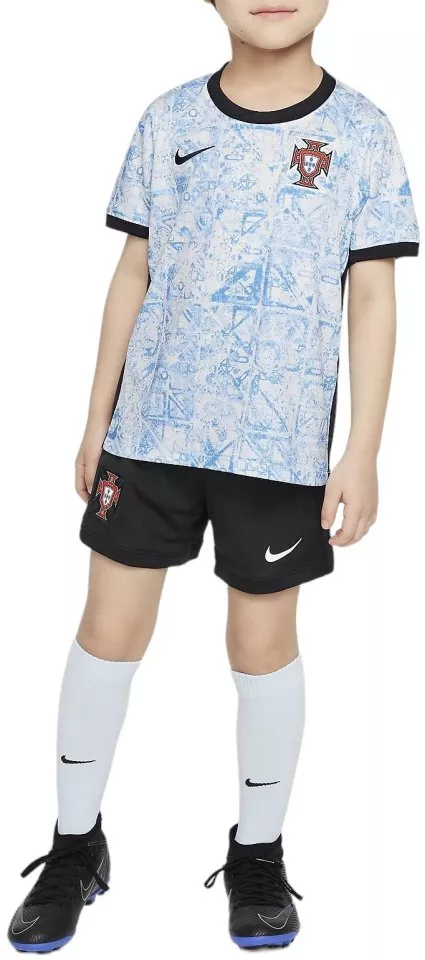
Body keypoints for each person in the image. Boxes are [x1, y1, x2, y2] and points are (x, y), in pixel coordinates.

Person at [8, 0, 419, 953]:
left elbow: (372, 294)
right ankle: (74, 845)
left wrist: (361, 448)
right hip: (151, 430)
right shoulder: (168, 119)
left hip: (277, 447)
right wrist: (96, 416)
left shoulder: (362, 132)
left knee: (260, 641)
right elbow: (134, 270)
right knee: (107, 630)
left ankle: (258, 853)